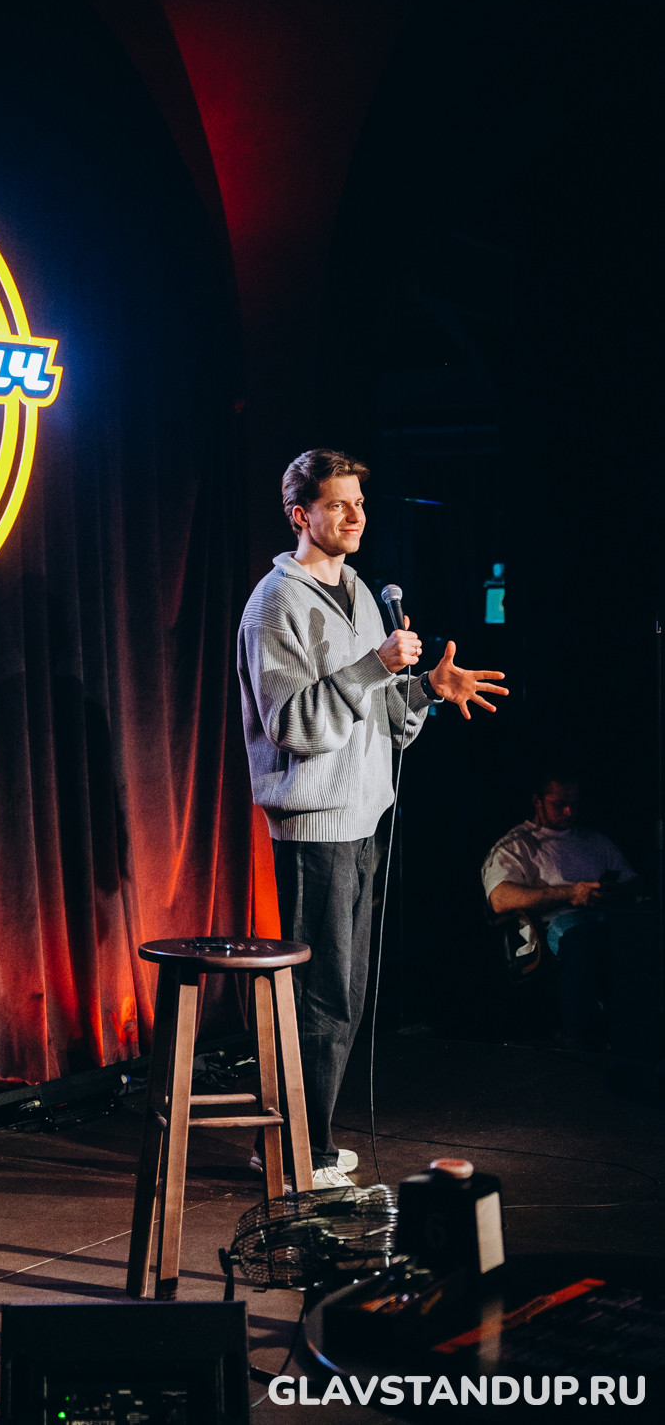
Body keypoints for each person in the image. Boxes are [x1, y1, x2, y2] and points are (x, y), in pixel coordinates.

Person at [238, 448, 507, 1187]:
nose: (357, 516)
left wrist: (422, 691)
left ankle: (300, 1144)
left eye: (360, 502)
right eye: (339, 504)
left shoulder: (358, 590)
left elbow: (372, 710)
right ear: (302, 515)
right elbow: (293, 724)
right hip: (315, 827)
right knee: (322, 996)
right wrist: (376, 667)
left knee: (345, 995)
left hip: (365, 817)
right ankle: (297, 1153)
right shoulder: (275, 604)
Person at [482, 771, 637, 1049]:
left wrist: (610, 891)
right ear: (537, 800)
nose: (568, 811)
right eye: (559, 804)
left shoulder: (594, 841)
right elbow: (500, 898)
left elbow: (632, 881)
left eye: (574, 804)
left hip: (606, 917)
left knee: (637, 935)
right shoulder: (517, 845)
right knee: (582, 937)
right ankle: (577, 1035)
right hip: (554, 924)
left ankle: (634, 1034)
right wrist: (570, 893)